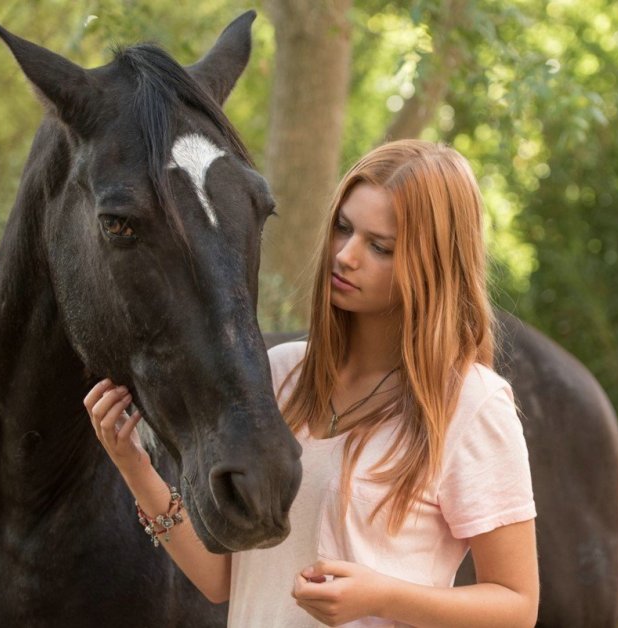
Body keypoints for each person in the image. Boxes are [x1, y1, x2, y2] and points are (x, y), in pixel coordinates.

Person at [85, 139, 539, 627]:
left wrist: (382, 597)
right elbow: (222, 580)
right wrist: (135, 467)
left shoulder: (471, 405)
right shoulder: (279, 376)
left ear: (435, 265)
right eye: (343, 227)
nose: (346, 255)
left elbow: (517, 606)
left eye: (380, 246)